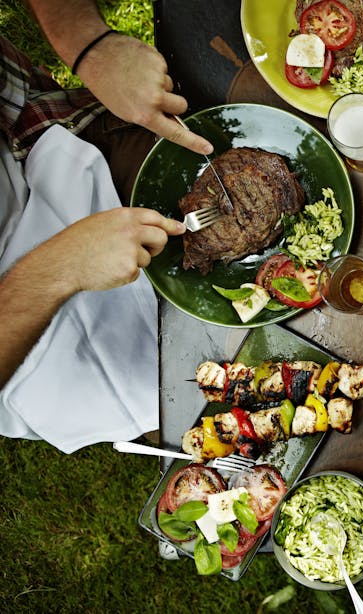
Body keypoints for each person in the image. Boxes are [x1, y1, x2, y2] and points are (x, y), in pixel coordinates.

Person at [0, 2, 205, 451]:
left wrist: (89, 44)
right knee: (196, 402)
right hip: (30, 352)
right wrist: (57, 267)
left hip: (32, 131)